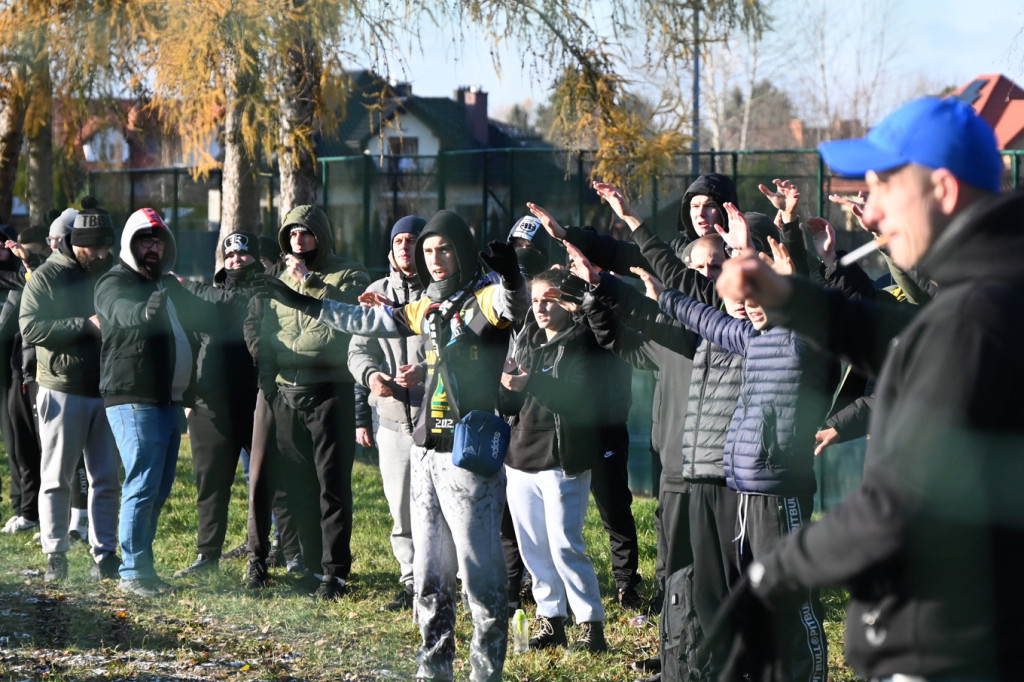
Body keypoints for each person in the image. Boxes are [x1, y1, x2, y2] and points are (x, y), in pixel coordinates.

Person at [713, 96, 1023, 680]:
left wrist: (771, 575)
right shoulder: (993, 288)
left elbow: (895, 507)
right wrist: (789, 299)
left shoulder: (977, 315)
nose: (871, 212)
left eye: (882, 185)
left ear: (944, 190)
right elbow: (908, 339)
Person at [262, 209, 528, 682]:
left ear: (462, 250)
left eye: (443, 248)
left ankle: (486, 674)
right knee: (429, 580)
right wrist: (295, 298)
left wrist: (511, 275)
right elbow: (363, 318)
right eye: (428, 251)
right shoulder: (425, 306)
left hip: (470, 454)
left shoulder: (482, 298)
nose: (435, 259)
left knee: (481, 582)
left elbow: (512, 306)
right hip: (426, 448)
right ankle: (434, 671)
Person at [94, 207, 227, 597]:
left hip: (168, 403)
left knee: (158, 487)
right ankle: (134, 573)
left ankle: (142, 566)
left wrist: (239, 292)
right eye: (144, 240)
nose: (152, 248)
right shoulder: (113, 280)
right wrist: (141, 312)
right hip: (134, 399)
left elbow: (208, 312)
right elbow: (116, 312)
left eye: (158, 241)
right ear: (130, 243)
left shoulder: (164, 284)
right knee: (142, 485)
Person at [256, 205, 370, 600]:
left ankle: (334, 573)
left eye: (305, 233)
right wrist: (269, 382)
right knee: (295, 484)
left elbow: (352, 320)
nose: (297, 241)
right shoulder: (277, 277)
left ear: (321, 234)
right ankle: (303, 563)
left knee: (332, 487)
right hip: (286, 391)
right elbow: (264, 328)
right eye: (291, 234)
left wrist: (312, 283)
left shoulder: (349, 273)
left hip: (329, 392)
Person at [499, 267, 610, 653]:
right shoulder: (524, 339)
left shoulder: (584, 342)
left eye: (549, 298)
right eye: (535, 299)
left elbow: (578, 399)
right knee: (533, 547)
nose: (541, 306)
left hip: (563, 459)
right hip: (519, 457)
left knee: (566, 545)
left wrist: (534, 382)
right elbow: (510, 403)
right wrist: (507, 388)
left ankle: (590, 625)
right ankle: (551, 620)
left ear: (565, 300)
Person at [20, 204, 122, 583]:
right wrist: (83, 326)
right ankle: (55, 552)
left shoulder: (110, 273)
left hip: (107, 390)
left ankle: (106, 553)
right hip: (61, 389)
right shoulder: (45, 277)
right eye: (94, 247)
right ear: (76, 243)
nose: (101, 253)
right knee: (57, 477)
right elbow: (30, 328)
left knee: (107, 478)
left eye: (106, 246)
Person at [347, 215, 427, 611]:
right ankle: (411, 580)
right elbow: (357, 350)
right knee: (401, 508)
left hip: (440, 421)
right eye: (399, 241)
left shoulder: (442, 291)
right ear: (391, 249)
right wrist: (371, 375)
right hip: (393, 422)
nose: (406, 247)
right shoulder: (374, 291)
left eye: (414, 240)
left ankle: (450, 581)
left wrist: (427, 369)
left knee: (445, 509)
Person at [176, 232, 264, 577]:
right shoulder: (208, 298)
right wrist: (188, 397)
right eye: (230, 256)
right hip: (209, 405)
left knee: (264, 484)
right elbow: (192, 344)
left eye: (243, 254)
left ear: (256, 259)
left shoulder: (264, 293)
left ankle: (264, 555)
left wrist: (183, 284)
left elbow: (231, 304)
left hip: (256, 403)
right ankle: (206, 556)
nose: (236, 260)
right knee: (209, 484)